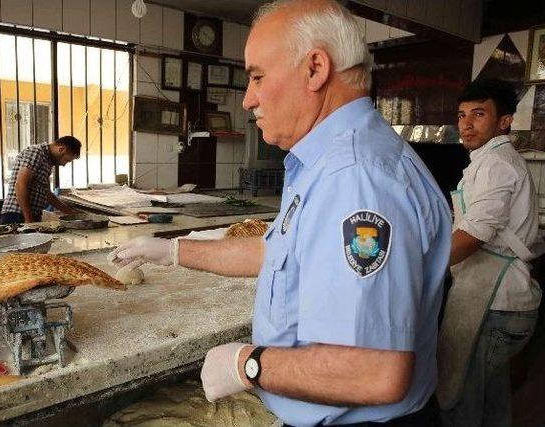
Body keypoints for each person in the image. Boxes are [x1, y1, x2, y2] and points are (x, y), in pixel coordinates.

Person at [109, 0, 452, 425]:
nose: (249, 99)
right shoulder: (326, 163)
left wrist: (248, 365)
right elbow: (280, 251)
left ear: (315, 69)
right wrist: (175, 250)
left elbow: (374, 372)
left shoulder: (355, 178)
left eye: (257, 76)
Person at [437, 79, 541, 426]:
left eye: (478, 114)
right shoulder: (488, 161)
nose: (465, 124)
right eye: (462, 115)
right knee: (491, 406)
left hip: (493, 304)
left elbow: (473, 236)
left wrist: (419, 269)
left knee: (465, 407)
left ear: (504, 121)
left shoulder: (497, 165)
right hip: (498, 300)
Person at [0, 136, 80, 224]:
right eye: (66, 160)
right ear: (61, 149)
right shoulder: (36, 152)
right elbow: (21, 185)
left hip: (30, 215)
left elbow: (47, 194)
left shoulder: (47, 161)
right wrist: (29, 219)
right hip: (17, 214)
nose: (64, 164)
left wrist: (73, 214)